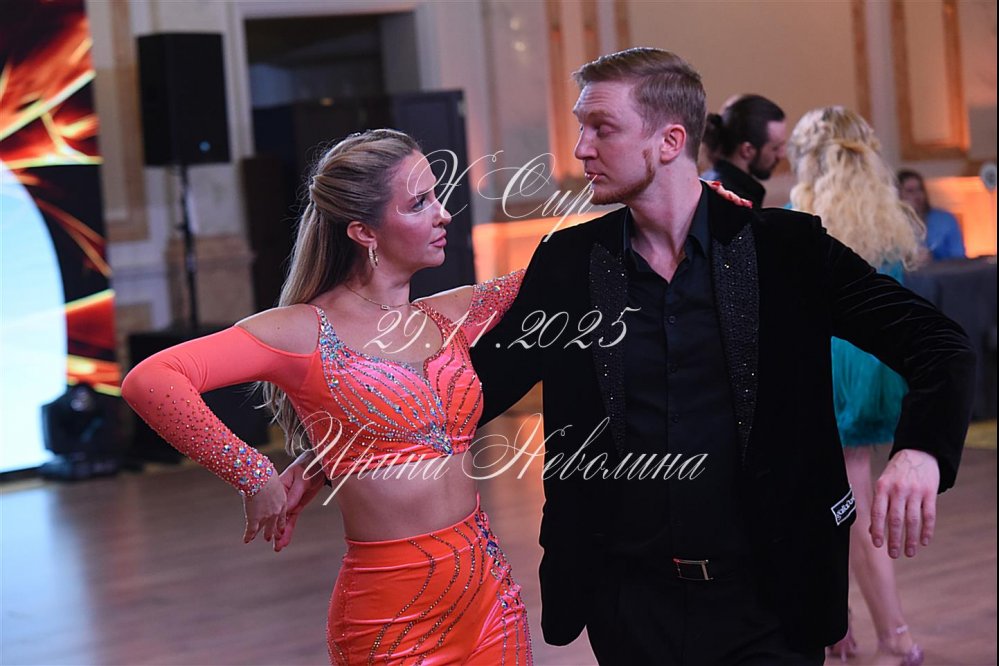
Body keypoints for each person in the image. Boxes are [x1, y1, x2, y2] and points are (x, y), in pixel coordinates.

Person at [460, 48, 971, 665]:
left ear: (670, 141)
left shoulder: (787, 252)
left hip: (771, 602)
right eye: (582, 128)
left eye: (602, 128)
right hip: (629, 605)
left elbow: (937, 343)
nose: (580, 149)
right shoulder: (570, 264)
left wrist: (920, 451)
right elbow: (477, 387)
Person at [121, 129, 533, 665]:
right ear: (364, 231)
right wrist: (253, 473)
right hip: (394, 618)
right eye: (420, 203)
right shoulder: (303, 330)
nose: (444, 214)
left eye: (436, 195)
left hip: (490, 597)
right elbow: (152, 380)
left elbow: (563, 269)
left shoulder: (451, 312)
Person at [788, 106, 928, 666]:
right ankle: (845, 625)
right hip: (870, 366)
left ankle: (889, 632)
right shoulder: (887, 221)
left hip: (824, 366)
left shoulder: (800, 218)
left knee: (844, 500)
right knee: (844, 494)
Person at [701, 93, 787, 209]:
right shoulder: (732, 202)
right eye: (775, 148)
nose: (782, 155)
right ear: (747, 150)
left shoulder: (710, 180)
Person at [897, 169, 967, 260]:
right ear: (897, 195)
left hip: (943, 268)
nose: (917, 195)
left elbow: (959, 258)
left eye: (920, 189)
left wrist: (933, 258)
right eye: (910, 191)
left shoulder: (945, 220)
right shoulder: (892, 226)